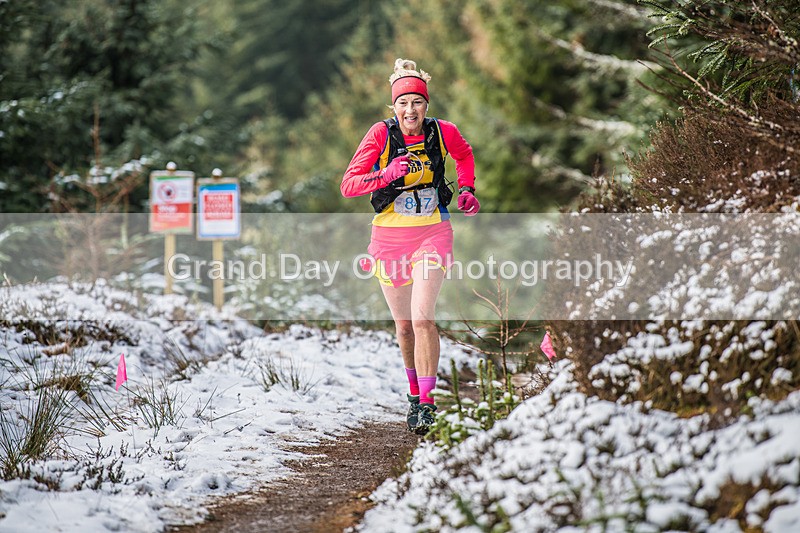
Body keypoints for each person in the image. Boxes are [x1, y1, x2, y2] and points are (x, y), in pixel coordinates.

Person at [341, 58, 480, 434]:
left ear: (426, 104)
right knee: (404, 326)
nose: (410, 110)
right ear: (394, 106)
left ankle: (429, 404)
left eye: (416, 102)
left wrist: (466, 189)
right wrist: (385, 174)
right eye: (402, 103)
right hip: (389, 238)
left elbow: (464, 155)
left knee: (423, 318)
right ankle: (414, 396)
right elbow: (349, 184)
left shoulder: (443, 132)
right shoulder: (380, 135)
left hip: (433, 232)